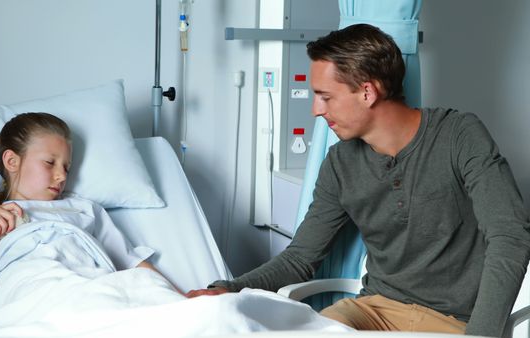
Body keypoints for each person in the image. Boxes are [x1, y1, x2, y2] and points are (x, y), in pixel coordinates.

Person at [186, 24, 530, 337]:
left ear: (367, 92)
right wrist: (230, 288)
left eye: (325, 96)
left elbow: (510, 236)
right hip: (370, 311)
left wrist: (481, 334)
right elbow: (300, 258)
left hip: (454, 322)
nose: (316, 110)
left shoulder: (458, 135)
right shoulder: (339, 163)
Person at [0, 112, 177, 292]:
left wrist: (178, 296)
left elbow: (129, 261)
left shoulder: (83, 209)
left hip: (88, 283)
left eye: (67, 167)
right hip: (29, 289)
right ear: (12, 161)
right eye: (50, 163)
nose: (62, 175)